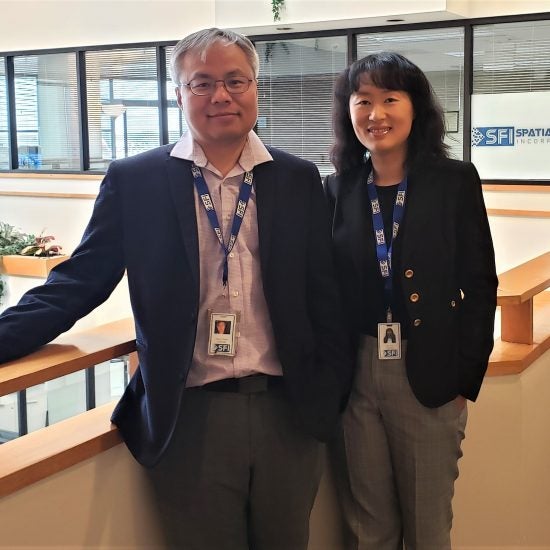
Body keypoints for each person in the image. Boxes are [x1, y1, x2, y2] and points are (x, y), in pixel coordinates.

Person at [0, 28, 352, 550]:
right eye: (202, 83)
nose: (221, 96)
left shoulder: (297, 179)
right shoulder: (136, 180)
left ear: (256, 87)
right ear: (179, 93)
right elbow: (79, 281)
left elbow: (326, 297)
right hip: (188, 416)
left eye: (236, 80)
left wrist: (326, 396)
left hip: (289, 412)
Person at [325, 52, 498, 550]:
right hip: (356, 372)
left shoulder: (453, 181)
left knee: (427, 527)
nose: (375, 113)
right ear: (349, 112)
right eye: (363, 101)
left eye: (389, 99)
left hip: (430, 369)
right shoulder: (338, 188)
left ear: (415, 107)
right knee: (366, 526)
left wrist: (466, 375)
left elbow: (480, 283)